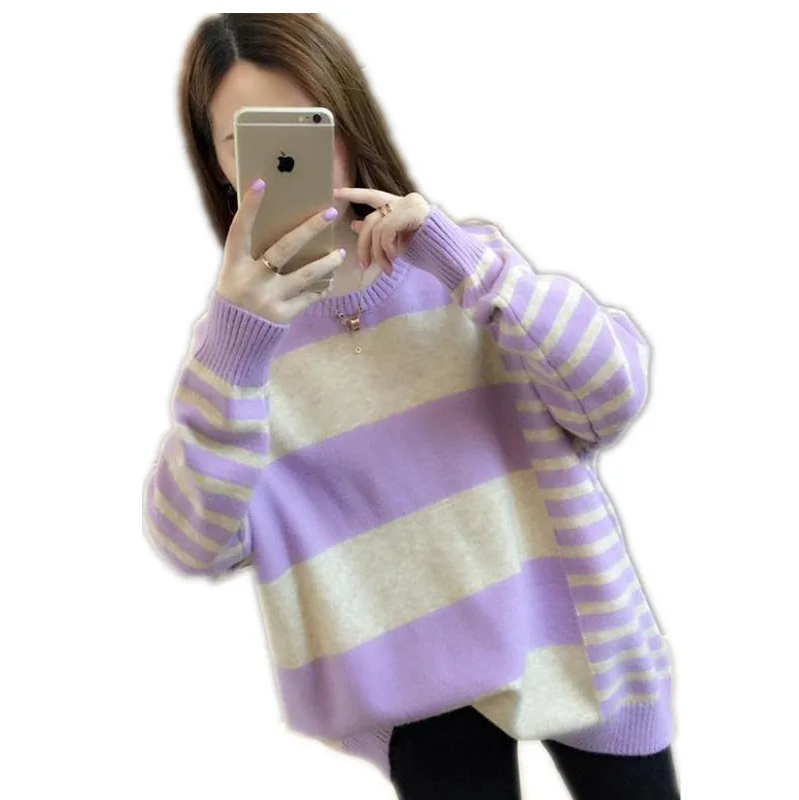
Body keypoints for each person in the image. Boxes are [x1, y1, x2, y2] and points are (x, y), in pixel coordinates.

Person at [143, 13, 680, 799]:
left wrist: (469, 268)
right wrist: (237, 344)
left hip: (574, 632)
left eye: (309, 123)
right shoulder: (235, 353)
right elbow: (194, 541)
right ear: (220, 163)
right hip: (410, 691)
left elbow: (612, 396)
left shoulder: (464, 269)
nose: (287, 157)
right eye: (248, 138)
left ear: (349, 117)